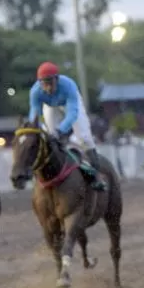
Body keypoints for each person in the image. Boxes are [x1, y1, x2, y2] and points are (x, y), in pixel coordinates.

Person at [28, 61, 106, 191]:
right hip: (51, 106)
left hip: (70, 105)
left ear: (57, 79)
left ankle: (96, 175)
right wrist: (37, 129)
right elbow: (36, 115)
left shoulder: (68, 85)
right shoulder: (35, 92)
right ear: (39, 83)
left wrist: (60, 130)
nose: (48, 88)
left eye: (50, 82)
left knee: (84, 137)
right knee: (50, 138)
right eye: (44, 83)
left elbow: (72, 114)